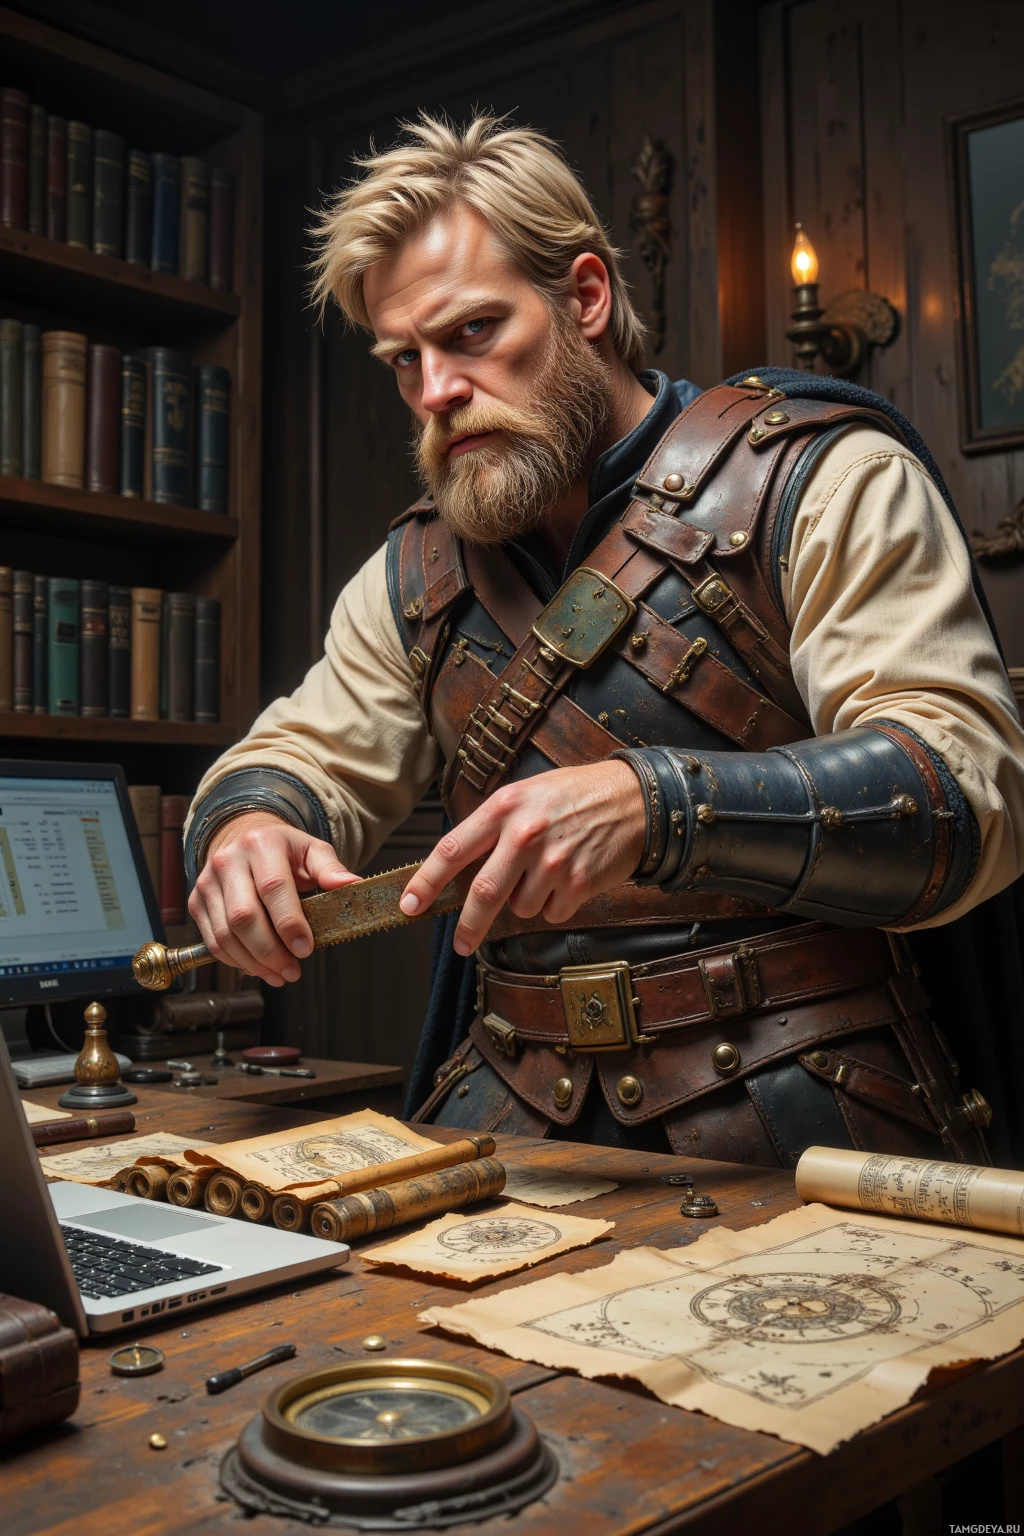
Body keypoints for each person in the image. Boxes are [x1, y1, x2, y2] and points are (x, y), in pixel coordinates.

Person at [184, 113, 1024, 1167]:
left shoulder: (822, 482)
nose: (435, 391)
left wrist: (654, 802)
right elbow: (301, 754)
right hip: (505, 1118)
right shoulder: (417, 574)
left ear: (583, 297)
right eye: (404, 359)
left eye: (472, 333)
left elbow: (961, 786)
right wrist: (245, 830)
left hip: (819, 1118)